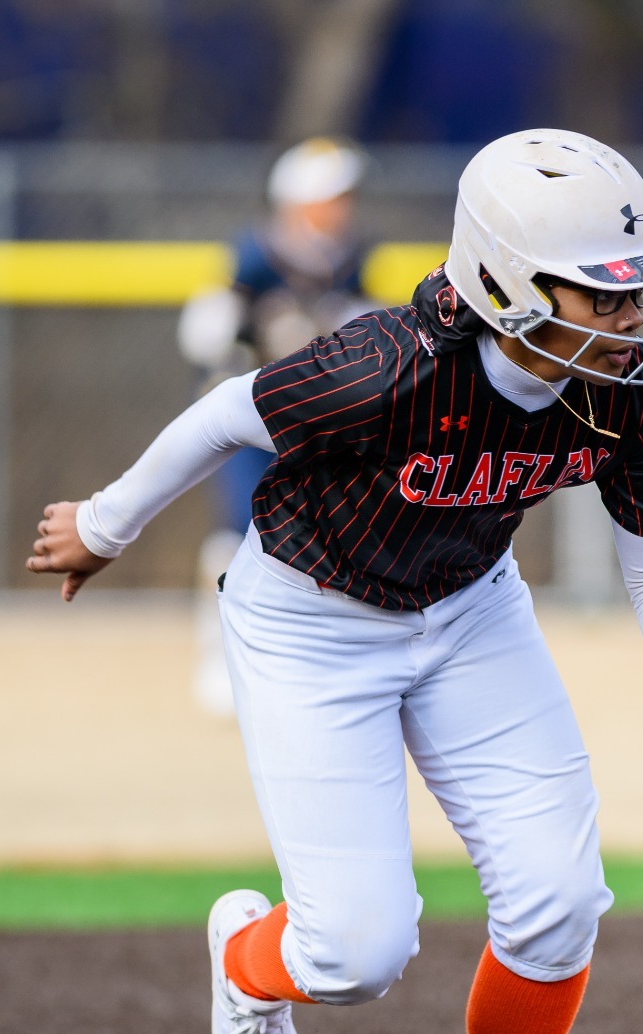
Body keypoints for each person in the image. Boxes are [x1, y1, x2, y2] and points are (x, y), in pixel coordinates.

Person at [27, 129, 643, 1034]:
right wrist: (103, 523)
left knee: (560, 898)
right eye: (603, 294)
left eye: (636, 291)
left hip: (469, 609)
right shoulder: (385, 365)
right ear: (508, 283)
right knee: (355, 954)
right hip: (310, 619)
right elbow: (225, 413)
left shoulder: (626, 397)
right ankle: (247, 961)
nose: (630, 320)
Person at [177, 137, 376, 714]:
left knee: (325, 536)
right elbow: (204, 334)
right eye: (332, 196)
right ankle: (221, 656)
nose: (343, 207)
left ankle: (304, 659)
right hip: (253, 419)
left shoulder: (349, 258)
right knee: (237, 535)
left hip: (318, 421)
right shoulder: (256, 256)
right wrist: (240, 332)